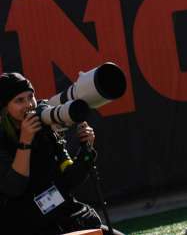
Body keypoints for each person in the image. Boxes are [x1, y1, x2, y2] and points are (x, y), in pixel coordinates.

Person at [0, 72, 121, 235]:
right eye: (19, 100)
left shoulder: (44, 128)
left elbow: (69, 181)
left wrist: (86, 149)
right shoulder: (3, 139)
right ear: (5, 108)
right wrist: (25, 142)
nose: (29, 104)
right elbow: (14, 187)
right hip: (25, 225)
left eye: (30, 96)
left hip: (64, 217)